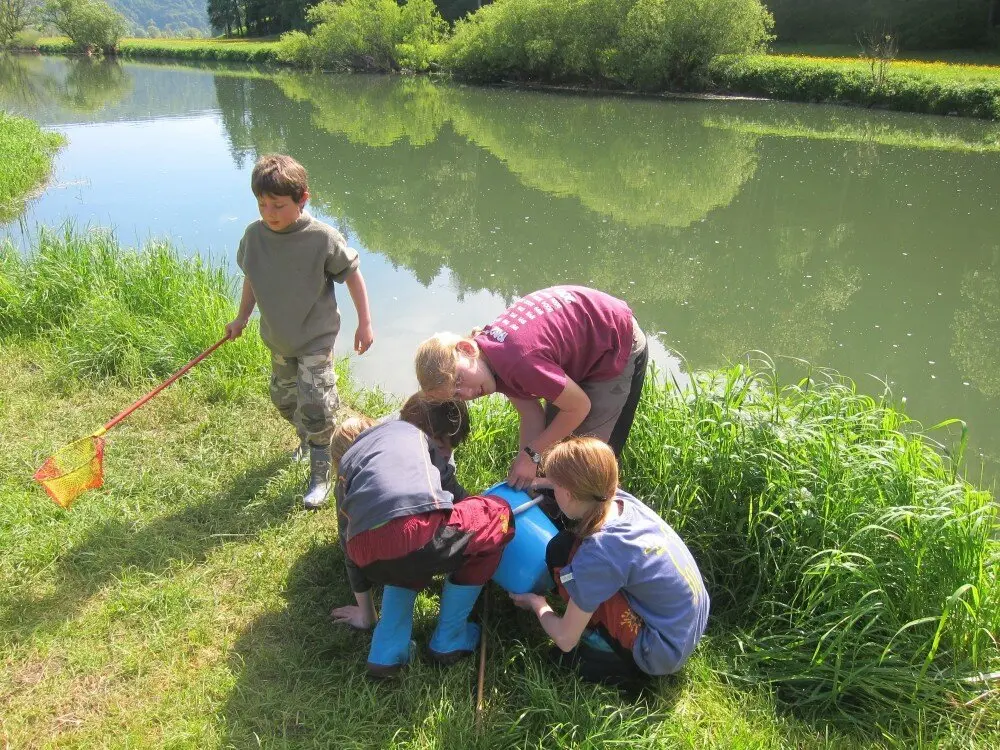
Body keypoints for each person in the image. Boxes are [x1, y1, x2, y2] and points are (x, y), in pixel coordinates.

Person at [224, 154, 374, 510]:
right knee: (284, 399)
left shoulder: (321, 237)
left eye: (278, 205)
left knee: (318, 405)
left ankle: (321, 471)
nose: (269, 213)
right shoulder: (254, 236)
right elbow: (251, 278)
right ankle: (308, 439)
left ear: (303, 198)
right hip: (279, 338)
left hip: (315, 338)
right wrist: (241, 318)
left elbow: (352, 274)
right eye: (262, 204)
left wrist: (365, 322)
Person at [329, 395, 515, 678]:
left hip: (365, 551)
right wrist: (478, 506)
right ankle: (449, 640)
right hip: (413, 532)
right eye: (443, 447)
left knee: (404, 551)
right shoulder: (415, 437)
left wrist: (365, 613)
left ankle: (386, 651)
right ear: (433, 436)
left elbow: (348, 542)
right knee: (497, 515)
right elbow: (452, 490)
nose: (445, 455)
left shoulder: (352, 461)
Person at [510, 438, 709, 688]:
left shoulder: (600, 552)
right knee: (563, 548)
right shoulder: (612, 498)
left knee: (564, 657)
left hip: (659, 650)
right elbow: (579, 485)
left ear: (569, 494)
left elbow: (565, 638)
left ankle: (611, 656)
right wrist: (540, 482)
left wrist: (538, 604)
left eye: (556, 485)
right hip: (685, 623)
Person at [415, 285, 647, 491]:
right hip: (583, 344)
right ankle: (555, 496)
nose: (466, 394)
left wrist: (532, 455)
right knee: (556, 443)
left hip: (616, 340)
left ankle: (596, 519)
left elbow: (579, 407)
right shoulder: (491, 359)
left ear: (466, 349)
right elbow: (531, 415)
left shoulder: (518, 362)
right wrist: (528, 461)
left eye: (458, 381)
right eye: (456, 395)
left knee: (589, 460)